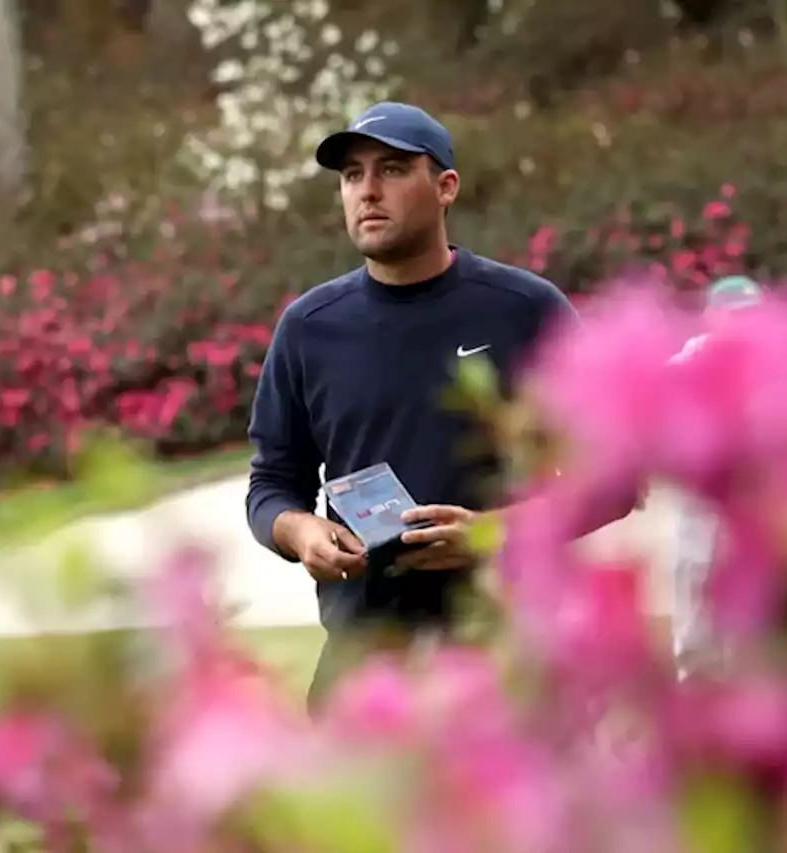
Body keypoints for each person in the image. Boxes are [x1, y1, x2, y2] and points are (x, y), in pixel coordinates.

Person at [244, 102, 634, 713]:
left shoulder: (525, 310)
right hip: (366, 664)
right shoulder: (309, 329)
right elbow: (272, 483)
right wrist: (299, 532)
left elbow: (613, 478)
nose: (367, 191)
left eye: (393, 170)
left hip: (510, 658)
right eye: (352, 176)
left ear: (446, 186)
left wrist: (495, 533)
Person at [665, 275, 765, 678]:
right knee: (697, 622)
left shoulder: (772, 363)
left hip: (757, 515)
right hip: (701, 515)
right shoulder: (688, 362)